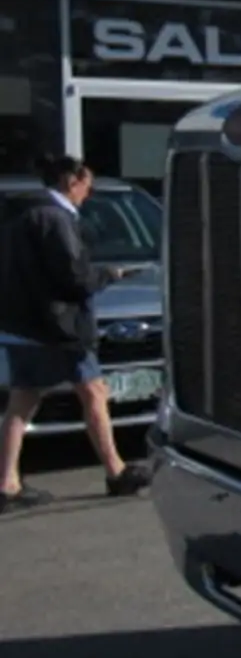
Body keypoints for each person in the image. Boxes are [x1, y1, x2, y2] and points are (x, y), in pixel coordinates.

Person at [0, 154, 149, 512]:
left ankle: (7, 483)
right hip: (59, 328)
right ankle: (116, 472)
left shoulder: (20, 216)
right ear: (71, 181)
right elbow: (73, 279)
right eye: (87, 184)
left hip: (24, 326)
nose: (89, 191)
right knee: (94, 392)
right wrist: (108, 276)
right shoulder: (56, 218)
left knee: (23, 401)